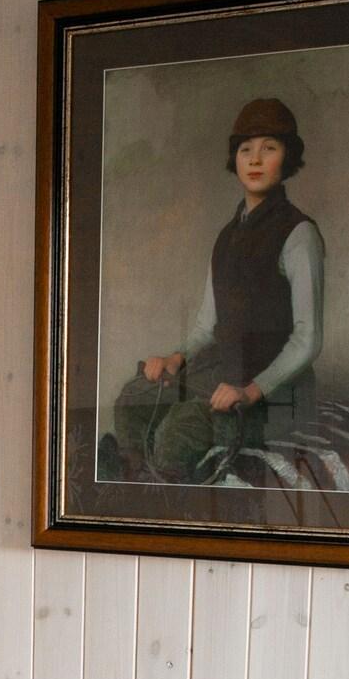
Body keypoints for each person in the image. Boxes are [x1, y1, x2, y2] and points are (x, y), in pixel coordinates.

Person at [117, 97, 325, 484]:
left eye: (269, 148)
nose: (255, 159)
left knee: (173, 436)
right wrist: (177, 357)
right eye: (246, 149)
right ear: (235, 159)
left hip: (276, 399)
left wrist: (251, 391)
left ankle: (163, 501)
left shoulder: (299, 234)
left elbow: (308, 339)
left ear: (288, 157)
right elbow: (206, 325)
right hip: (223, 375)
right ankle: (135, 493)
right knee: (131, 403)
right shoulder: (226, 237)